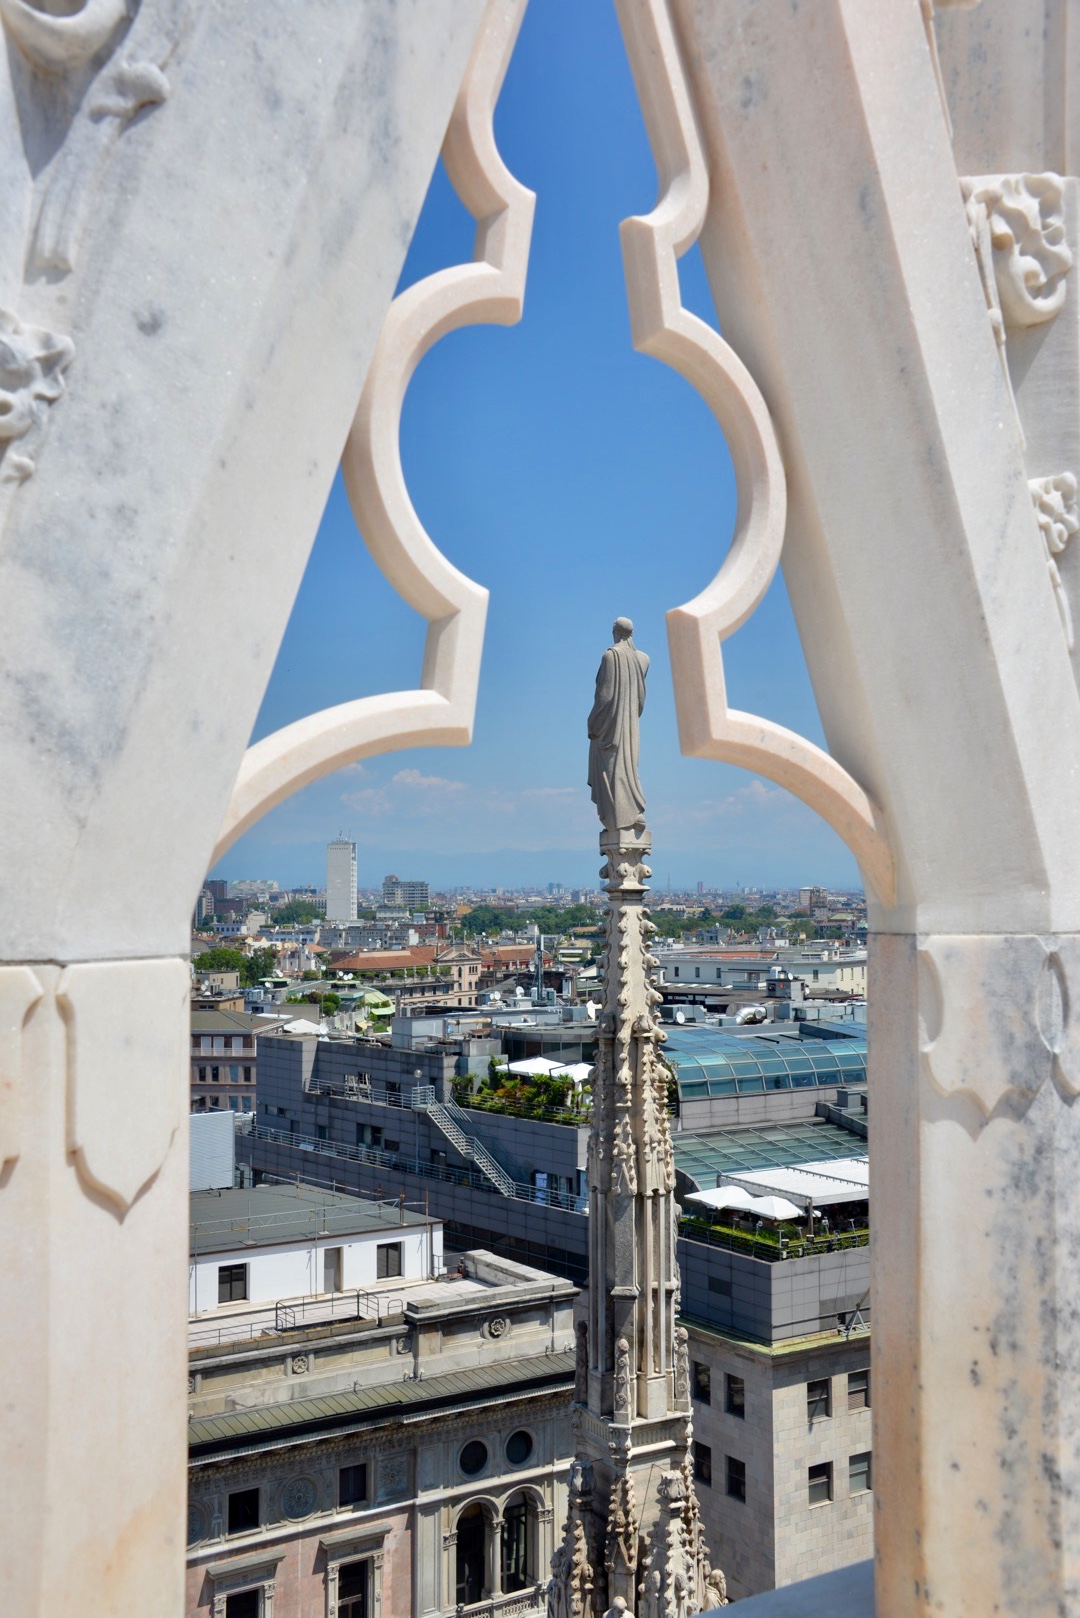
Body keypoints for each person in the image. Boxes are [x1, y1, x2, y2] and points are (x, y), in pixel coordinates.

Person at [587, 617, 649, 834]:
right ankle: (634, 811)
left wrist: (593, 722)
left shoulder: (611, 656)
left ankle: (619, 817)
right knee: (629, 767)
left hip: (610, 728)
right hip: (630, 726)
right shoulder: (643, 659)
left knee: (615, 769)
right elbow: (640, 701)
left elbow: (605, 697)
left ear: (615, 632)